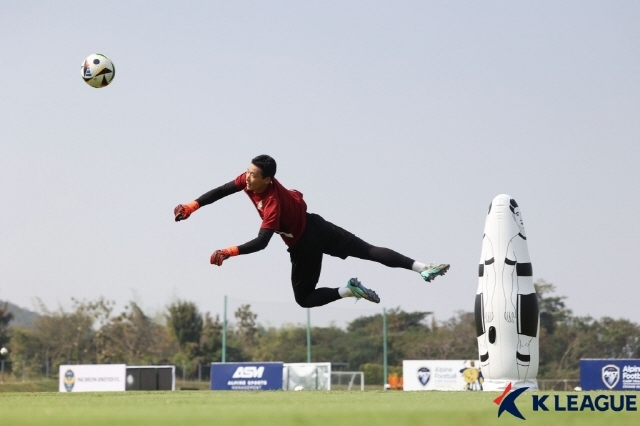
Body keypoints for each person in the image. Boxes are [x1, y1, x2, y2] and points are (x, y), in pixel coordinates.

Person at [174, 155, 449, 307]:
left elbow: (261, 243)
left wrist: (229, 251)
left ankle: (350, 290)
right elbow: (222, 191)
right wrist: (192, 205)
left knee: (304, 299)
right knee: (366, 250)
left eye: (253, 175)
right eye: (246, 172)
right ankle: (422, 268)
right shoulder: (250, 181)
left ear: (267, 180)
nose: (246, 178)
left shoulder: (272, 203)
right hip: (316, 224)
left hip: (303, 244)